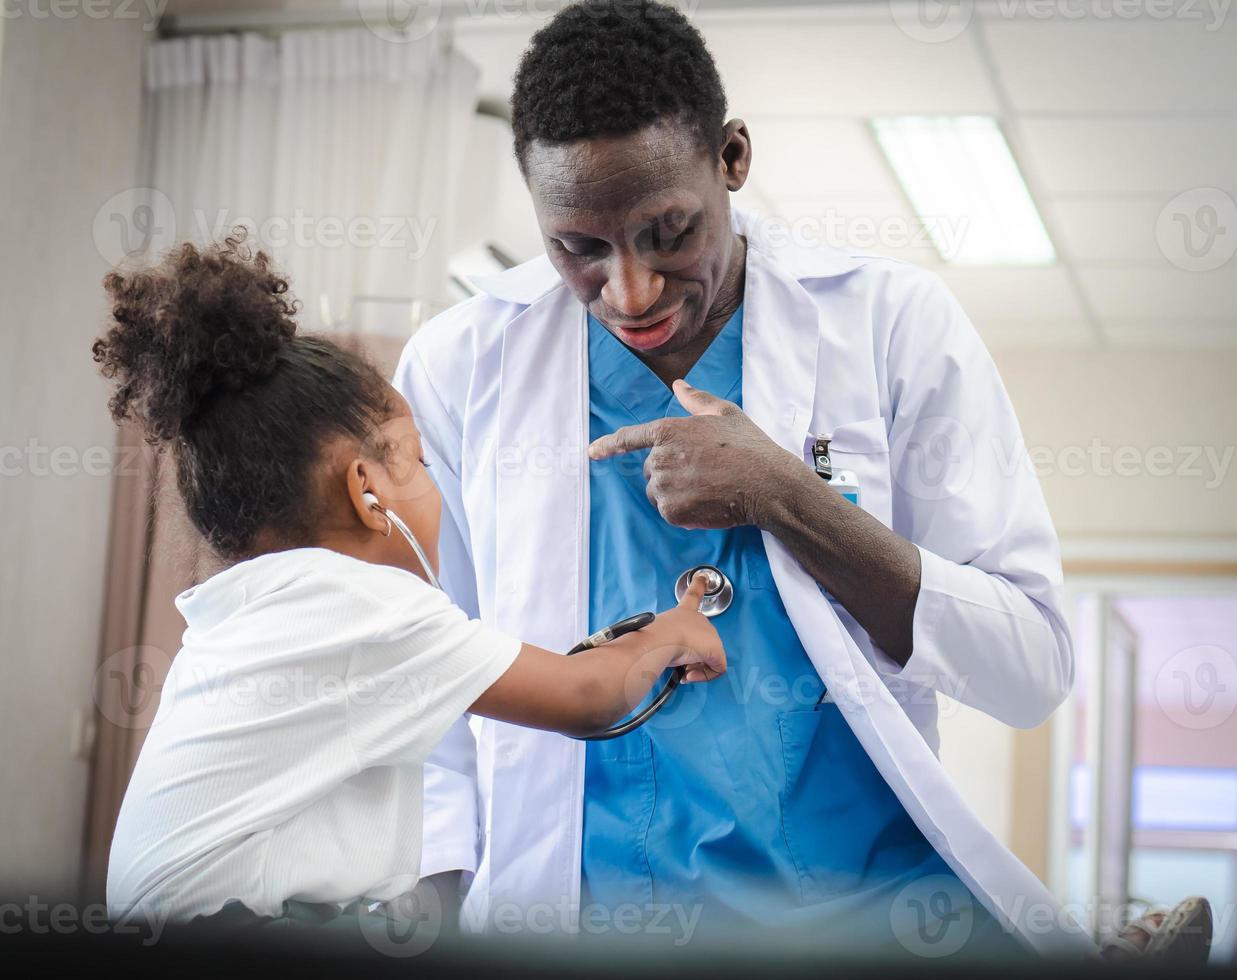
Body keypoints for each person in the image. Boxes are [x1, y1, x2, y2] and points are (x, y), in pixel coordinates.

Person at [392, 0, 1209, 961]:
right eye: (579, 248)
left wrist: (788, 495)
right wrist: (432, 904)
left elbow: (1028, 667)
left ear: (732, 158)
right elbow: (434, 668)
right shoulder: (458, 367)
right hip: (579, 918)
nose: (632, 291)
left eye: (668, 232)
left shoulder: (892, 326)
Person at [98, 233, 726, 927]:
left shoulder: (247, 615)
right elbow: (586, 696)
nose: (435, 484)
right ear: (367, 491)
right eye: (420, 462)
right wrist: (673, 629)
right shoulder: (360, 605)